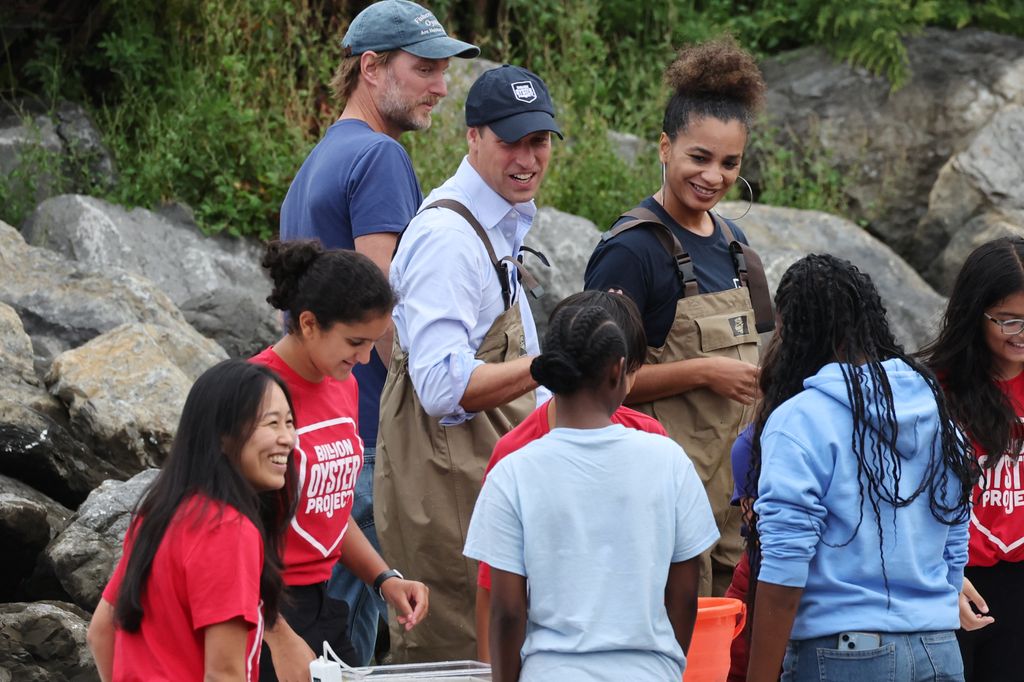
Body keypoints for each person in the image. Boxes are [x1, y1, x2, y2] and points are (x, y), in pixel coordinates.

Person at [278, 0, 478, 664]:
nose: (442, 88)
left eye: (444, 73)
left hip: (316, 439)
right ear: (372, 68)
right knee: (343, 652)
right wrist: (441, 403)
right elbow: (379, 308)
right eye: (424, 69)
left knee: (310, 636)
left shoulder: (317, 163)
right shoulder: (380, 159)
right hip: (363, 439)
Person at [377, 63, 561, 662]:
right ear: (473, 136)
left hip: (485, 480)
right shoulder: (449, 239)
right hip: (446, 489)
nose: (528, 157)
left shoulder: (499, 218)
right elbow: (438, 384)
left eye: (539, 140)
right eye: (510, 140)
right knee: (458, 657)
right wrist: (547, 368)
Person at [584, 38, 772, 597]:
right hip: (659, 504)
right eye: (699, 157)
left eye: (729, 163)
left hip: (735, 504)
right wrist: (705, 372)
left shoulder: (736, 244)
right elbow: (597, 386)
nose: (714, 176)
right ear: (665, 148)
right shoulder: (630, 251)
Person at [745, 254, 979, 682]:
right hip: (939, 649)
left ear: (790, 329)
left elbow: (785, 567)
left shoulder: (800, 419)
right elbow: (955, 531)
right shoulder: (934, 409)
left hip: (844, 655)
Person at [464, 301, 719, 681]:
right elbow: (683, 593)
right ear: (618, 370)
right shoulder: (669, 460)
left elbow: (507, 612)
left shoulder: (512, 471)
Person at [253, 241, 429, 681]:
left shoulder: (342, 384)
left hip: (321, 600)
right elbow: (227, 523)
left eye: (373, 342)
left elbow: (328, 509)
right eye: (355, 342)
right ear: (308, 323)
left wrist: (384, 578)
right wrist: (273, 632)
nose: (365, 358)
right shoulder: (254, 391)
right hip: (261, 604)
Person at [87, 359, 299, 681]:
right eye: (271, 424)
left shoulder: (160, 511)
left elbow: (101, 631)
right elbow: (223, 675)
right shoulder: (229, 530)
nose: (288, 439)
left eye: (289, 422)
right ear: (221, 437)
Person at [919, 236, 1024, 682]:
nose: (1022, 334)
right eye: (1009, 320)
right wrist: (942, 575)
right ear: (974, 313)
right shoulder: (931, 389)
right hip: (952, 579)